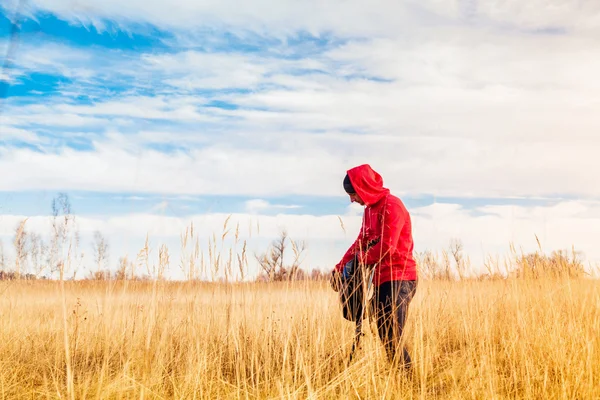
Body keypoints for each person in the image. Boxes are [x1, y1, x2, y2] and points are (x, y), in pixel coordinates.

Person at [331, 164, 418, 369]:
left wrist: (361, 259)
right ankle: (399, 378)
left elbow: (388, 246)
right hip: (380, 278)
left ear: (364, 187)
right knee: (384, 332)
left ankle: (409, 383)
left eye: (353, 194)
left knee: (392, 334)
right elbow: (360, 241)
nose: (352, 199)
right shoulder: (369, 211)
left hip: (400, 277)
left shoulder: (392, 205)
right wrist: (340, 267)